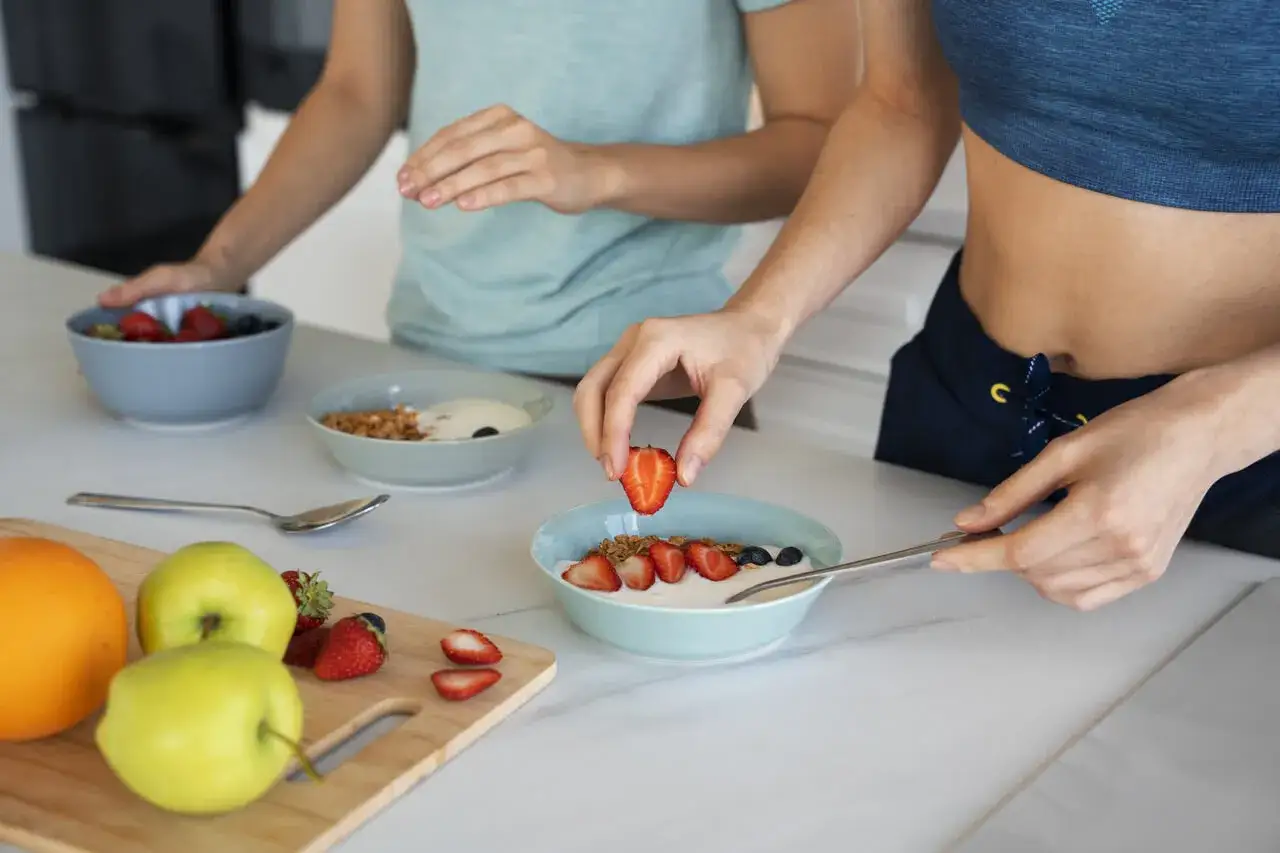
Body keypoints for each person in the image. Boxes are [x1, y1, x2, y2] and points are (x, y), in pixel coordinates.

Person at [575, 0, 1280, 611]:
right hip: (963, 401)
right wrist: (760, 316)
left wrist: (1211, 431)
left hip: (1240, 442)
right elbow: (901, 103)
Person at [97, 0, 860, 429]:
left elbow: (820, 143)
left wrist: (595, 171)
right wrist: (218, 264)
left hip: (646, 378)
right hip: (426, 365)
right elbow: (358, 93)